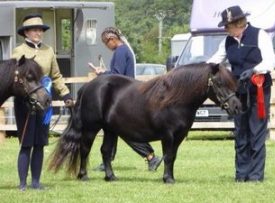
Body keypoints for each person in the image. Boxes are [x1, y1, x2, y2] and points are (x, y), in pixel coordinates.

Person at [207, 6, 275, 182]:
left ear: (238, 23)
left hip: (258, 91)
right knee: (241, 133)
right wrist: (198, 69)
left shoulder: (260, 35)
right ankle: (241, 174)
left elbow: (270, 61)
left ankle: (255, 176)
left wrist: (254, 70)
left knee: (256, 133)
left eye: (227, 25)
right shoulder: (227, 41)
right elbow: (215, 60)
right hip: (238, 93)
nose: (225, 29)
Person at [12, 14, 74, 191]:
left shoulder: (49, 50)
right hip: (25, 104)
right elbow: (16, 78)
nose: (38, 33)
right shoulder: (18, 52)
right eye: (34, 30)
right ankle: (23, 183)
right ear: (26, 33)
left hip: (44, 102)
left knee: (40, 143)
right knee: (26, 143)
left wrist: (65, 94)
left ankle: (36, 182)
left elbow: (56, 76)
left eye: (40, 30)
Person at [89, 27, 162, 172]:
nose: (106, 46)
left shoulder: (121, 52)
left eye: (106, 43)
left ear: (112, 39)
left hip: (124, 96)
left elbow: (117, 75)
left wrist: (101, 73)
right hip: (127, 94)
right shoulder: (124, 50)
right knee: (111, 128)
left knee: (124, 129)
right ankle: (107, 160)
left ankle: (151, 157)